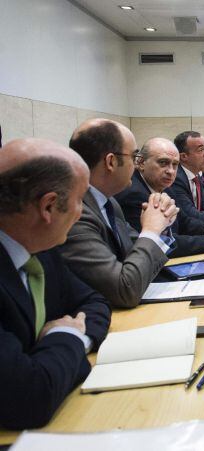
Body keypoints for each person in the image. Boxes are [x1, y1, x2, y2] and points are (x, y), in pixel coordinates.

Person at [0, 138, 111, 429]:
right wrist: (67, 338)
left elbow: (94, 301)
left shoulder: (40, 246)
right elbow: (29, 398)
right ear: (49, 206)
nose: (81, 212)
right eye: (79, 200)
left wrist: (73, 340)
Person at [58, 119, 178, 309]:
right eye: (134, 156)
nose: (136, 164)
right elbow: (124, 290)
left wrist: (161, 223)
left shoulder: (109, 202)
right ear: (111, 162)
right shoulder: (74, 213)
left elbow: (135, 252)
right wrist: (152, 231)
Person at [115, 137, 204, 258]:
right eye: (163, 162)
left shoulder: (165, 185)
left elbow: (183, 221)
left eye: (175, 164)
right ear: (141, 162)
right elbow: (161, 244)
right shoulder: (133, 194)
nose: (170, 171)